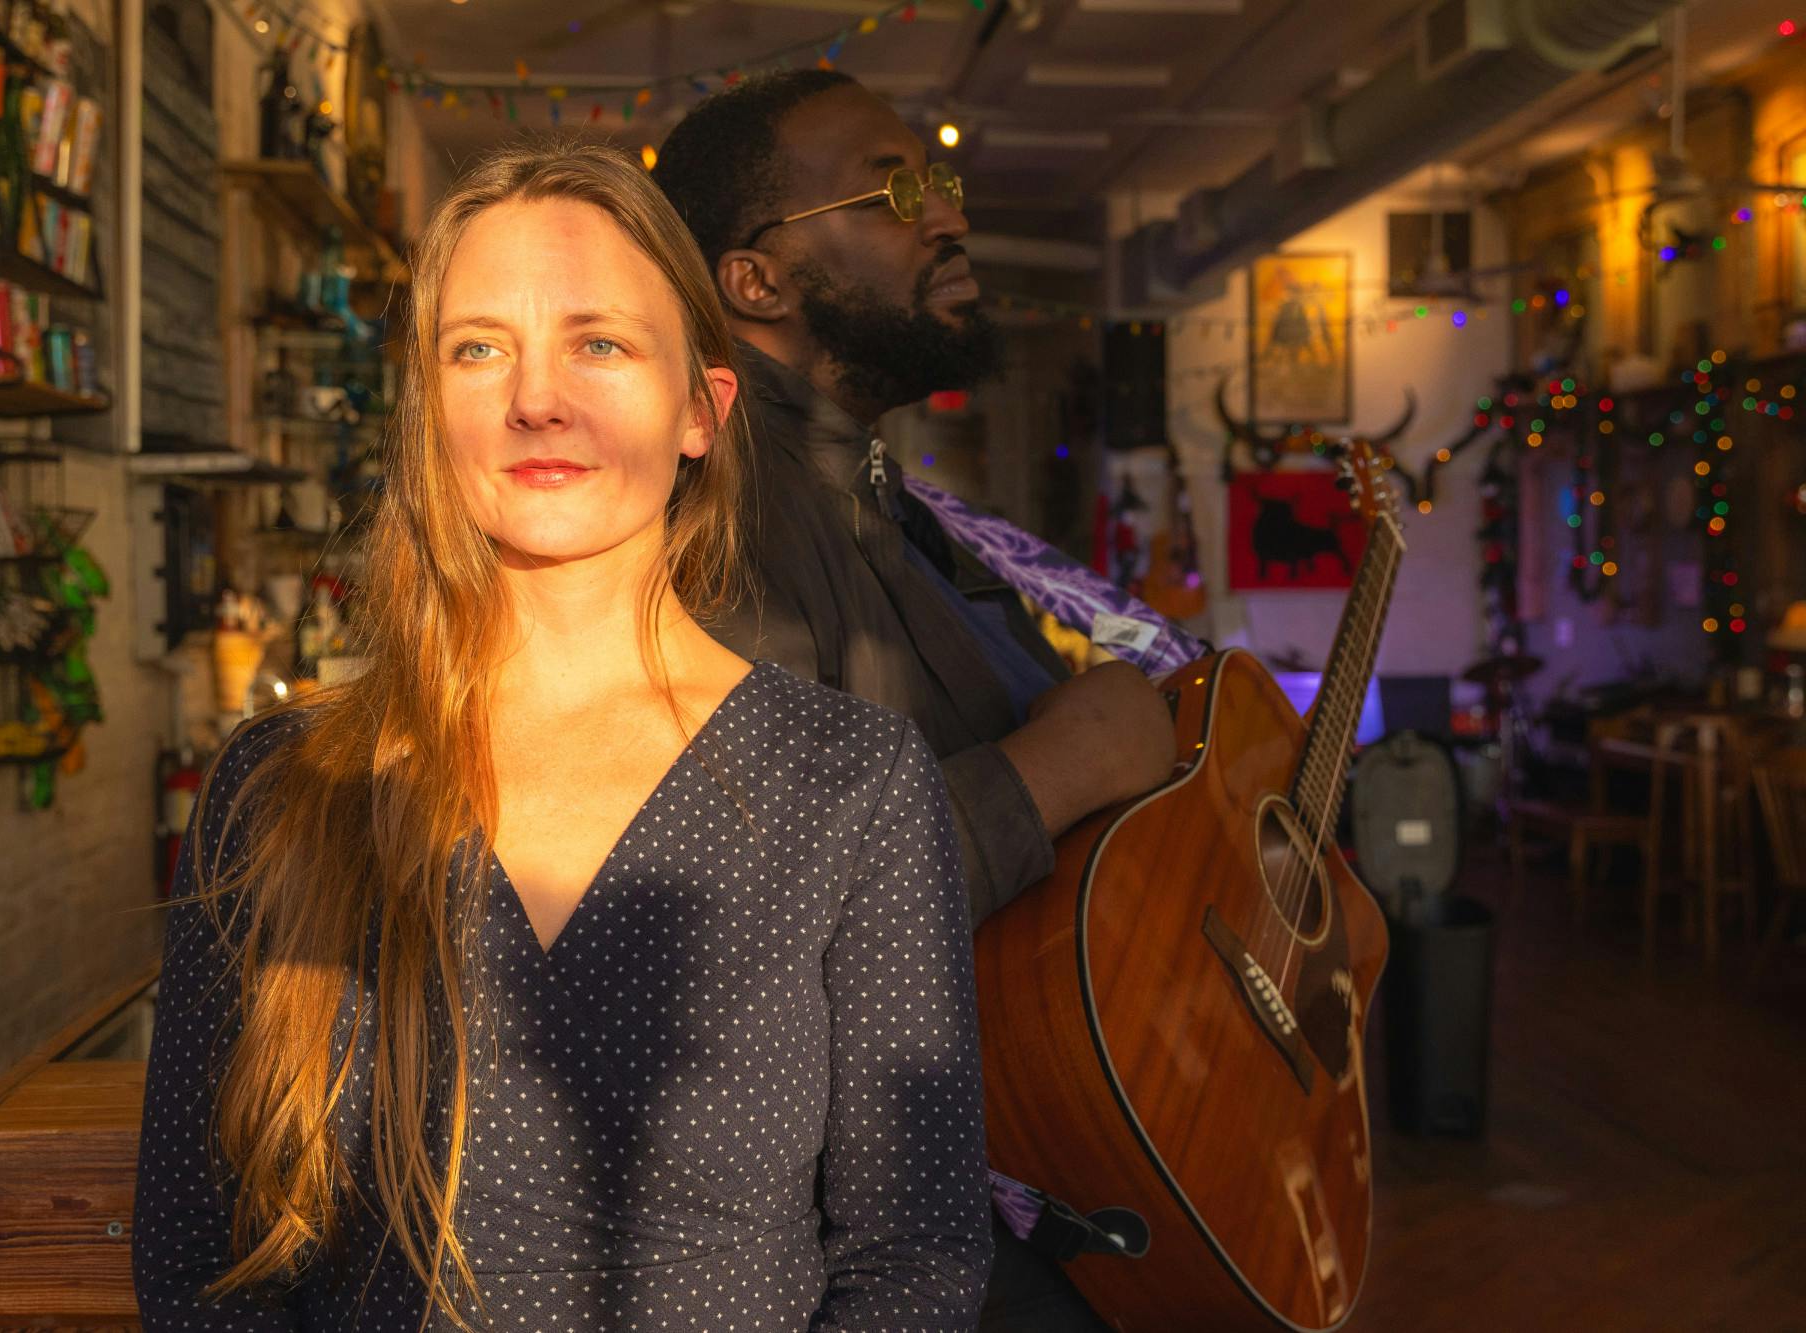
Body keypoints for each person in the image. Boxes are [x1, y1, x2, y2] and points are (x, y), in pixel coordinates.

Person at [132, 141, 992, 1331]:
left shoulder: (849, 782)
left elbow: (916, 1266)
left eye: (599, 342)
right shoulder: (281, 782)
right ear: (429, 410)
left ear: (700, 407)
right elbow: (198, 1264)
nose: (535, 398)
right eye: (477, 347)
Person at [655, 72, 1180, 1331]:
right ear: (754, 282)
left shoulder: (882, 496)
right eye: (894, 191)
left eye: (938, 184)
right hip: (893, 1240)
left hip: (1042, 1133)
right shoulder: (717, 526)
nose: (945, 217)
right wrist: (1060, 764)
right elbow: (749, 917)